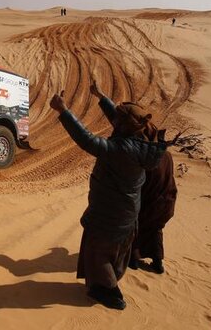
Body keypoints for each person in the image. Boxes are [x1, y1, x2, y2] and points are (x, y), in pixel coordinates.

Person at [49, 82, 166, 310]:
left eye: (119, 119)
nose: (115, 121)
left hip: (109, 215)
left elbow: (87, 140)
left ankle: (110, 293)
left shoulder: (120, 150)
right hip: (127, 214)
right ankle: (105, 285)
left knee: (99, 253)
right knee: (114, 252)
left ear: (123, 126)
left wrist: (63, 111)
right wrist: (101, 97)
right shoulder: (140, 141)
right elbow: (120, 119)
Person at [129, 150, 177, 274]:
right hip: (166, 200)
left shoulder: (147, 156)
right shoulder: (167, 154)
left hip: (150, 200)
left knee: (135, 226)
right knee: (156, 229)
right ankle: (157, 262)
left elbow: (141, 180)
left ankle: (133, 259)